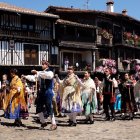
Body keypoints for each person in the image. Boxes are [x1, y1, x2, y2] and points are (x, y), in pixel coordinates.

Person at [24, 60, 57, 130]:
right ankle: (43, 122)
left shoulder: (50, 72)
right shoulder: (40, 73)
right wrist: (26, 76)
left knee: (49, 107)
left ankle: (54, 124)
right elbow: (34, 78)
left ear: (47, 65)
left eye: (43, 64)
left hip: (48, 91)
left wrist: (37, 72)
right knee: (38, 107)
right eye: (42, 64)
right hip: (42, 92)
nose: (42, 65)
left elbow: (48, 76)